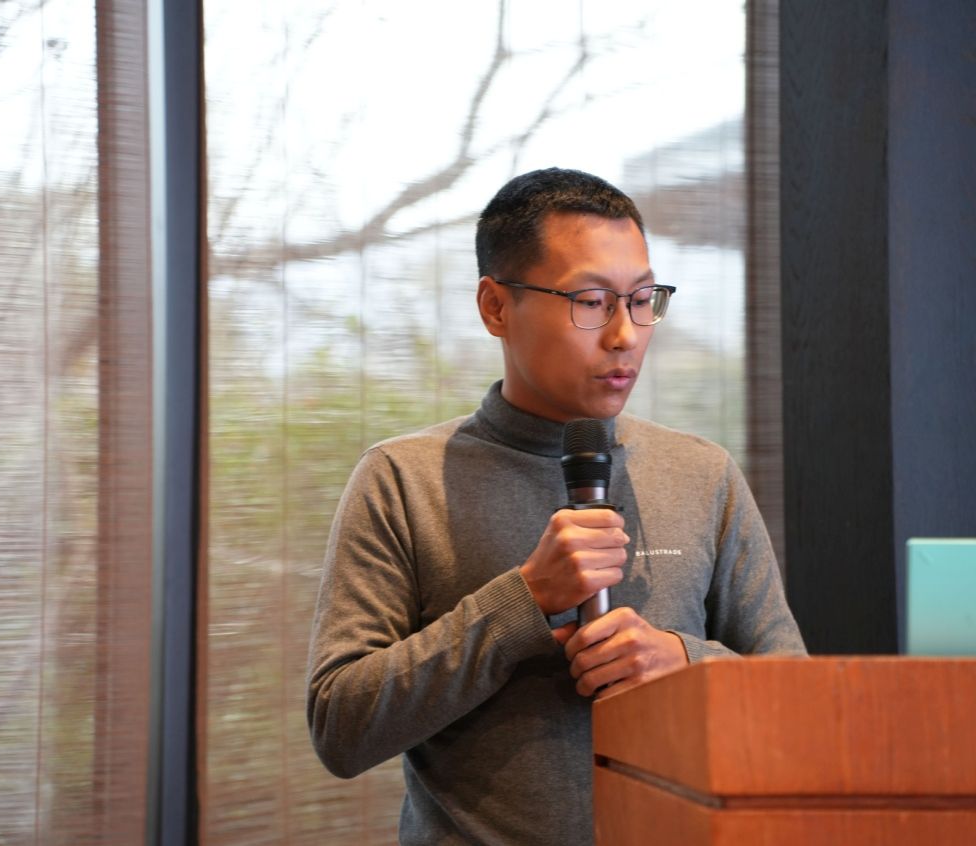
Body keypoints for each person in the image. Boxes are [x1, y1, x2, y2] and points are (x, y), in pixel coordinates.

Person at [307, 167, 805, 845]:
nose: (626, 335)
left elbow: (797, 703)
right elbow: (340, 727)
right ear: (496, 307)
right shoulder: (402, 479)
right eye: (592, 301)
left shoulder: (702, 474)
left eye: (642, 299)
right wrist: (520, 604)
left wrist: (684, 663)